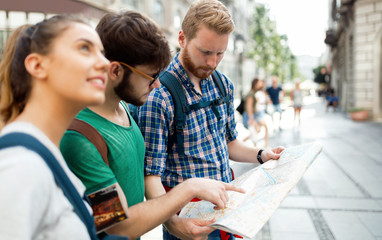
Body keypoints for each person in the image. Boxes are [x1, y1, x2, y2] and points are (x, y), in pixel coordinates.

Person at [60, 10, 245, 240]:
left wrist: (173, 221)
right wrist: (190, 188)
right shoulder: (80, 138)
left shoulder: (122, 108)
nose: (158, 84)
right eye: (151, 76)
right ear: (116, 71)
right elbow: (117, 225)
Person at [138, 1, 285, 239]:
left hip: (227, 205)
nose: (212, 63)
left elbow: (229, 144)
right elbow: (150, 176)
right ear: (182, 38)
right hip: (188, 217)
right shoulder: (160, 95)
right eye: (205, 52)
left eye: (220, 53)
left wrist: (261, 154)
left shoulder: (223, 83)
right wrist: (173, 224)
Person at [0, 15, 110, 239]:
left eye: (102, 53)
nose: (105, 63)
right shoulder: (22, 164)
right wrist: (185, 192)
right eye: (84, 48)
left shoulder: (126, 122)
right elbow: (116, 221)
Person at [243, 78, 269, 147]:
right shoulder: (251, 93)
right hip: (249, 116)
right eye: (259, 83)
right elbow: (249, 106)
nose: (261, 84)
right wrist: (251, 119)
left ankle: (244, 142)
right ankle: (254, 148)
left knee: (256, 131)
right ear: (255, 84)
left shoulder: (254, 92)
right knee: (255, 132)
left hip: (252, 115)